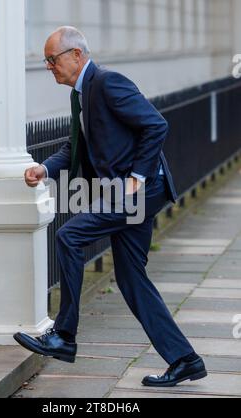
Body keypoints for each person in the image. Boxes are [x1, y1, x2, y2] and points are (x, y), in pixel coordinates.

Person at [14, 26, 207, 387]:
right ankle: (185, 360)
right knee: (131, 278)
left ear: (76, 55)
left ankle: (64, 335)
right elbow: (78, 147)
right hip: (130, 194)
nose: (48, 66)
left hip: (138, 191)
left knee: (70, 237)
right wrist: (45, 169)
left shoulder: (107, 83)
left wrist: (135, 178)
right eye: (46, 61)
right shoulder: (82, 94)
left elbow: (156, 125)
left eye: (52, 59)